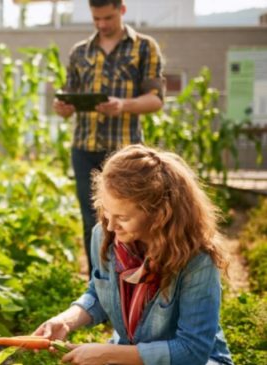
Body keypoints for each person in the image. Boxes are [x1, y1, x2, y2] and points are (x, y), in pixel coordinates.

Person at [33, 144, 233, 365]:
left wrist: (108, 354)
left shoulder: (197, 259)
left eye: (123, 218)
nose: (110, 226)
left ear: (159, 215)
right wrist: (66, 321)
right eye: (106, 211)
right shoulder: (105, 235)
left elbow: (192, 351)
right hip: (131, 354)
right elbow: (99, 293)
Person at [53, 0, 165, 277]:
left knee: (131, 218)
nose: (102, 24)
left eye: (108, 18)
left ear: (122, 10)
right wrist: (63, 108)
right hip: (84, 147)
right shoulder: (80, 52)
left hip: (124, 152)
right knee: (91, 219)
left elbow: (156, 100)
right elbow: (69, 97)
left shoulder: (144, 47)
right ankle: (99, 283)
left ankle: (133, 277)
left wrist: (122, 105)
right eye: (96, 19)